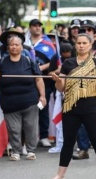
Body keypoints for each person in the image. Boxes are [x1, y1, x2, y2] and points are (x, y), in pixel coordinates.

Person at [48, 33, 96, 179]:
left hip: (92, 107)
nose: (81, 45)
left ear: (90, 45)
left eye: (85, 43)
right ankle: (60, 175)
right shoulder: (68, 63)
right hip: (71, 107)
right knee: (68, 142)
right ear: (75, 45)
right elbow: (61, 88)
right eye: (79, 43)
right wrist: (58, 81)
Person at [0, 30, 46, 161]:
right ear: (8, 47)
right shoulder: (1, 63)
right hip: (9, 103)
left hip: (30, 102)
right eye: (11, 45)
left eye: (17, 45)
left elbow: (39, 79)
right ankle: (16, 151)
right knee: (14, 129)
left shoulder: (29, 61)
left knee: (30, 127)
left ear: (22, 47)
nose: (14, 47)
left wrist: (42, 96)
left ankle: (30, 150)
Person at [72, 19, 96, 160]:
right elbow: (72, 67)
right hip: (81, 90)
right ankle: (83, 149)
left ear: (94, 33)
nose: (86, 32)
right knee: (82, 122)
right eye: (84, 30)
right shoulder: (76, 48)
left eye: (89, 30)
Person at [26, 19, 56, 147]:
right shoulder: (24, 42)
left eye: (39, 26)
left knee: (42, 107)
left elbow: (54, 61)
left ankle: (43, 136)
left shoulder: (47, 43)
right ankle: (29, 138)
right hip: (27, 81)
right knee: (28, 110)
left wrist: (40, 69)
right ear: (30, 27)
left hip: (44, 80)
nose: (37, 28)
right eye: (35, 26)